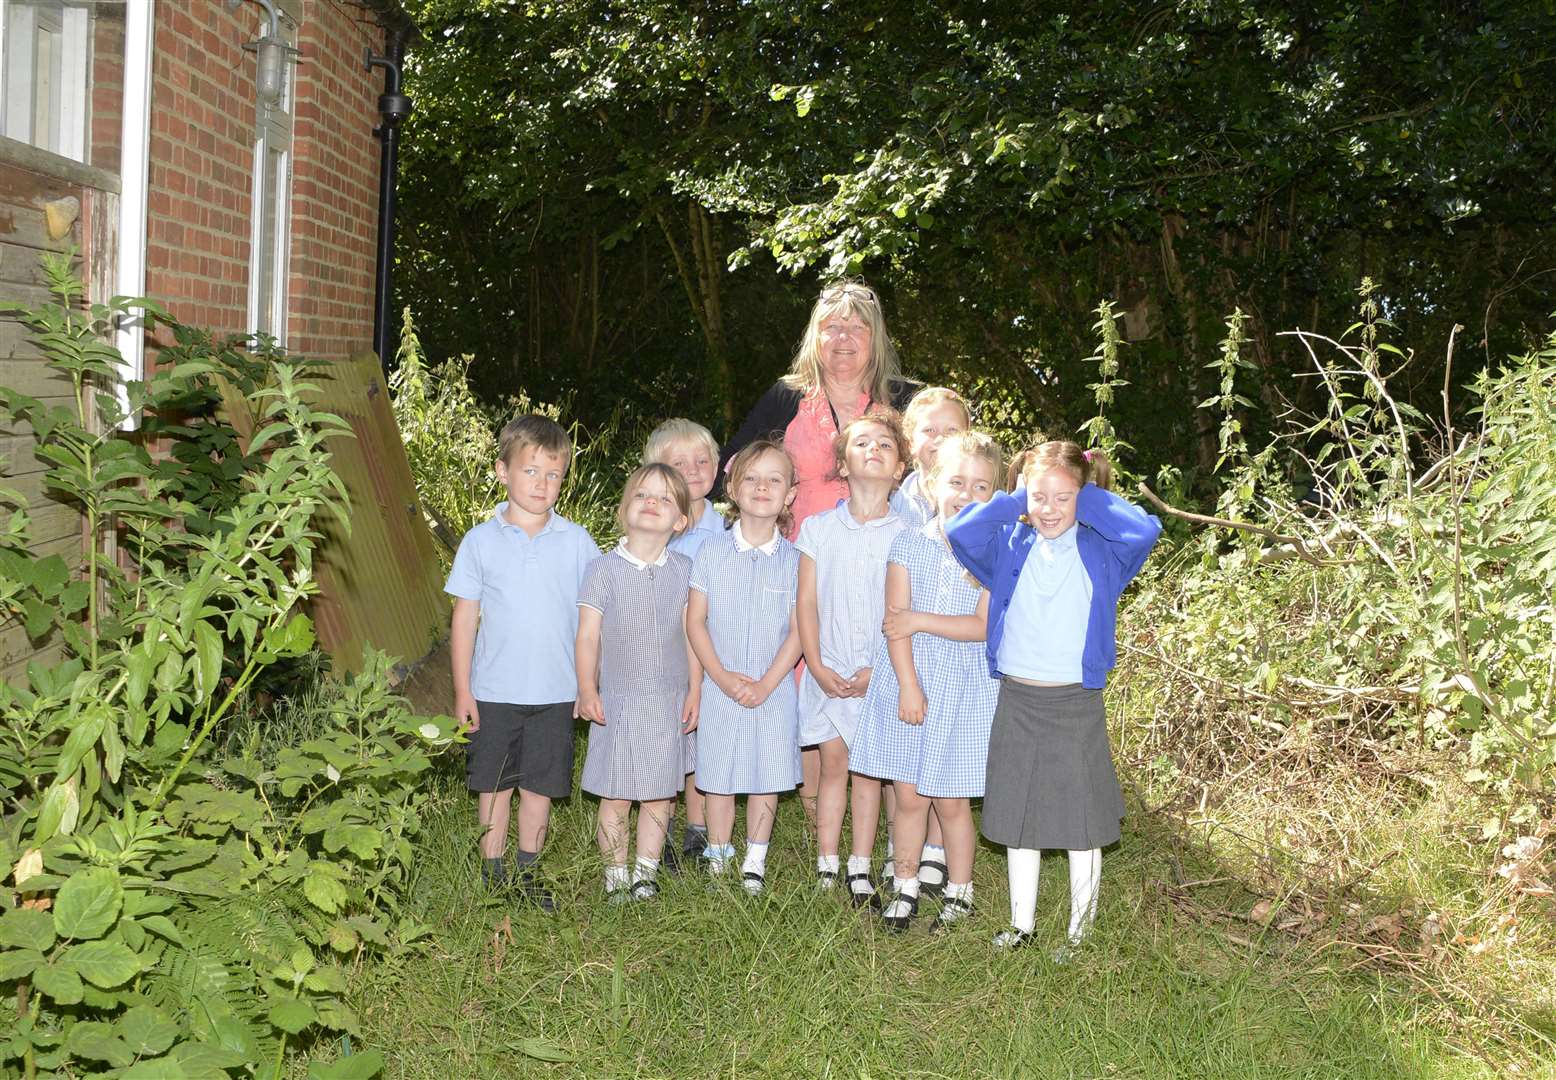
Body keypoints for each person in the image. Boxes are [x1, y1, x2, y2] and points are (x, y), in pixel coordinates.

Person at [946, 442, 1161, 953]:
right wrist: (1016, 498)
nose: (1049, 509)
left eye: (1063, 499)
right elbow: (959, 530)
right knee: (1019, 818)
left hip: (1074, 702)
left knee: (1080, 823)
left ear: (1084, 499)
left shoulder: (1103, 550)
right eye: (1039, 497)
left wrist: (1083, 496)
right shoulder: (1011, 542)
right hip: (1018, 697)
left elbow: (1144, 529)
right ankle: (1022, 926)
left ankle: (1080, 934)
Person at [718, 279, 917, 825]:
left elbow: (946, 469)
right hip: (806, 561)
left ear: (875, 338)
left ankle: (893, 810)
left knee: (882, 666)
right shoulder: (787, 397)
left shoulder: (905, 399)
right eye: (832, 327)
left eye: (856, 327)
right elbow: (733, 466)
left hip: (886, 563)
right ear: (815, 337)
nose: (844, 338)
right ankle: (817, 825)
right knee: (810, 676)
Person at [446, 414, 601, 912]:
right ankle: (493, 873)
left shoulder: (577, 542)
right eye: (531, 471)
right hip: (493, 691)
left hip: (556, 693)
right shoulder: (480, 541)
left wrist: (587, 683)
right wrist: (462, 690)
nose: (542, 484)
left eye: (553, 474)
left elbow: (592, 618)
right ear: (502, 471)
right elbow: (465, 622)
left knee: (540, 787)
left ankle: (527, 873)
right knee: (494, 787)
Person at [851, 432, 1003, 932]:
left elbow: (982, 626)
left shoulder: (993, 553)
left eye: (981, 486)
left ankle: (961, 891)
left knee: (952, 799)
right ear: (934, 484)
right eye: (957, 481)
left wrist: (920, 620)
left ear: (995, 493)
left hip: (963, 690)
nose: (966, 493)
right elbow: (895, 622)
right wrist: (909, 686)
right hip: (909, 681)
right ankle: (906, 885)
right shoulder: (909, 543)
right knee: (910, 796)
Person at [795, 411, 909, 906]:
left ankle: (860, 867)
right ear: (842, 463)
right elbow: (805, 603)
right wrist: (816, 666)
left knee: (868, 767)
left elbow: (905, 611)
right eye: (862, 443)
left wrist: (879, 672)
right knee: (833, 760)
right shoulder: (819, 529)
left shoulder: (908, 534)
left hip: (877, 668)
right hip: (828, 665)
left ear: (900, 469)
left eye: (885, 445)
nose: (874, 451)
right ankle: (827, 862)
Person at [575, 464, 701, 902]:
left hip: (669, 699)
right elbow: (588, 635)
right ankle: (615, 877)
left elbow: (693, 635)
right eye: (642, 494)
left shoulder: (686, 570)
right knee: (616, 794)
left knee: (660, 793)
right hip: (619, 700)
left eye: (665, 499)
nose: (652, 503)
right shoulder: (603, 569)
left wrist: (697, 691)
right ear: (623, 508)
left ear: (681, 520)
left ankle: (646, 874)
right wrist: (587, 689)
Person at [685, 440, 805, 894]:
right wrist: (719, 676)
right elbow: (695, 621)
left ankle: (755, 859)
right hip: (721, 684)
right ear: (732, 487)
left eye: (775, 480)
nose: (762, 487)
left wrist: (768, 683)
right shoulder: (711, 552)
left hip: (772, 689)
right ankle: (718, 855)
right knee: (717, 775)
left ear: (790, 494)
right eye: (751, 478)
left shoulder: (796, 562)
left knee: (766, 772)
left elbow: (798, 630)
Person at [644, 418, 723, 868]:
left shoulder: (727, 529)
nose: (693, 470)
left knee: (701, 741)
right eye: (679, 462)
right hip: (662, 653)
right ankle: (660, 829)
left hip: (710, 652)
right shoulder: (651, 525)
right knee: (667, 739)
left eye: (702, 460)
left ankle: (697, 829)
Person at [889, 387, 971, 530]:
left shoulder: (978, 501)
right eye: (929, 430)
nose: (940, 439)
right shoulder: (892, 505)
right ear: (910, 444)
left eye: (952, 430)